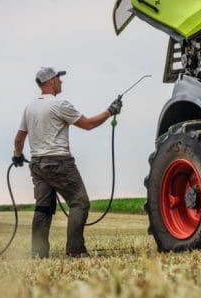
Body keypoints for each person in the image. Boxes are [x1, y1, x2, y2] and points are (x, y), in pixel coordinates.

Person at [12, 67, 122, 258]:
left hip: (37, 165)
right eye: (59, 78)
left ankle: (38, 254)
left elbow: (19, 139)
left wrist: (17, 155)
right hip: (59, 163)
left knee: (42, 208)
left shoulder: (30, 107)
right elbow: (88, 124)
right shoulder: (60, 104)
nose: (61, 82)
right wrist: (110, 111)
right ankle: (75, 250)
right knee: (79, 202)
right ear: (51, 81)